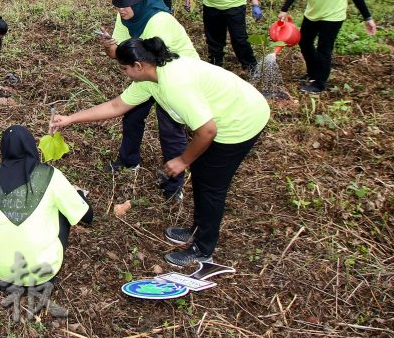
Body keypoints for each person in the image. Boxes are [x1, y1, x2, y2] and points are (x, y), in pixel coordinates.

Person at [51, 37, 269, 266]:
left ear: (138, 66)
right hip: (224, 115)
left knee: (211, 185)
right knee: (202, 171)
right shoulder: (151, 77)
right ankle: (197, 228)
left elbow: (207, 131)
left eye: (125, 68)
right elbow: (117, 105)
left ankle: (204, 249)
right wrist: (70, 119)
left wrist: (182, 161)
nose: (125, 73)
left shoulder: (174, 85)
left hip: (240, 121)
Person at [100, 0, 198, 199]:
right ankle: (128, 160)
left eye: (127, 5)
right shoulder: (124, 16)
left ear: (141, 0)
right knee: (132, 116)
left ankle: (174, 186)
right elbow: (119, 53)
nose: (121, 10)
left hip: (174, 77)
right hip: (147, 73)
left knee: (170, 128)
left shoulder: (159, 21)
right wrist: (108, 46)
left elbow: (145, 64)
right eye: (118, 5)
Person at [0, 125, 93, 286]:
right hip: (42, 273)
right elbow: (87, 216)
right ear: (31, 146)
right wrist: (78, 193)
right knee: (63, 209)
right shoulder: (50, 175)